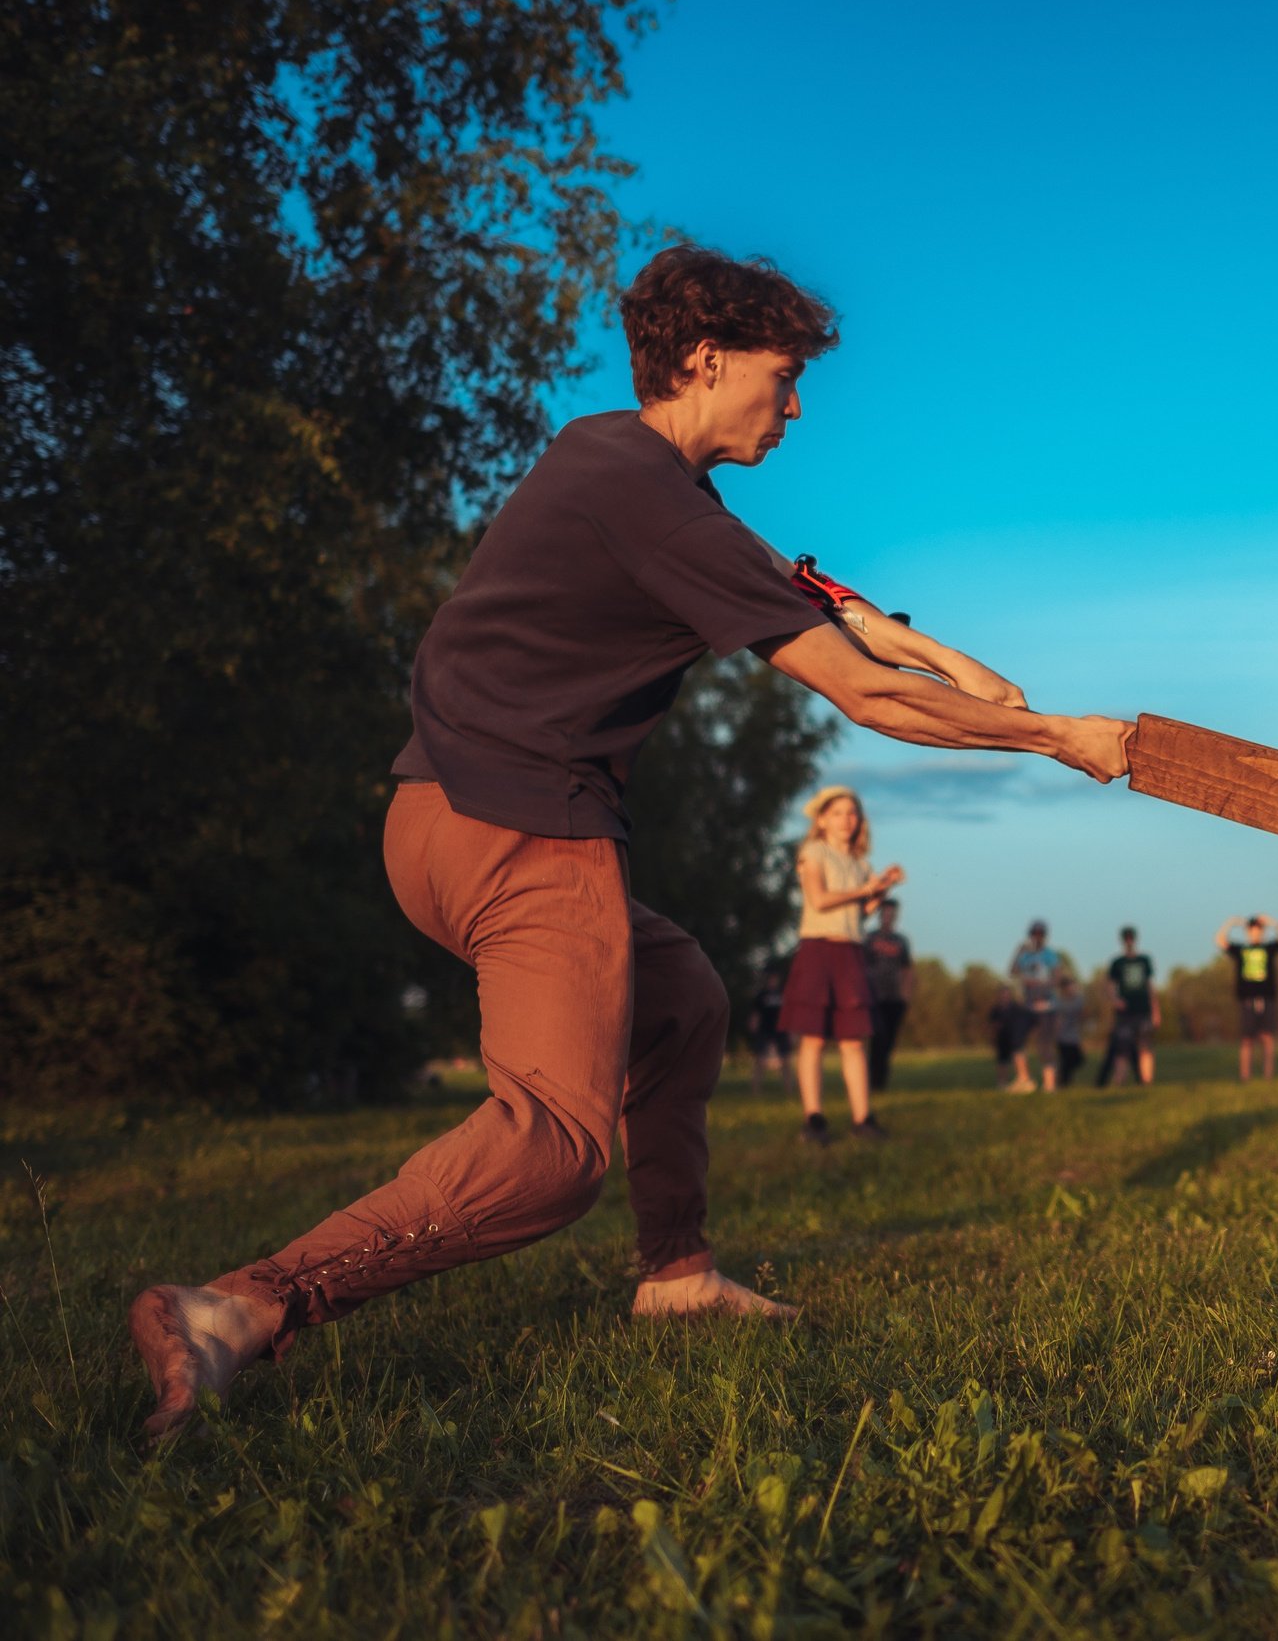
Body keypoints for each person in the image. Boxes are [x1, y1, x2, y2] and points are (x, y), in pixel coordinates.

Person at [126, 244, 1134, 1439]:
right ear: (707, 359)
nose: (796, 408)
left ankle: (676, 1275)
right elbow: (863, 698)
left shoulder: (610, 458)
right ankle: (237, 1309)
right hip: (522, 829)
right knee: (553, 1152)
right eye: (784, 377)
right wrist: (1060, 738)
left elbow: (804, 590)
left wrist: (933, 651)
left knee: (683, 1000)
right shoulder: (658, 503)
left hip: (436, 822)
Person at [782, 785, 900, 1144]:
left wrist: (882, 888)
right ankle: (813, 1119)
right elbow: (818, 900)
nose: (846, 820)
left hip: (851, 951)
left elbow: (860, 913)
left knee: (853, 1039)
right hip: (818, 948)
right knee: (814, 1037)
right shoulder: (813, 852)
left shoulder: (860, 864)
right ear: (821, 819)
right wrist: (865, 891)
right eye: (837, 813)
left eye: (852, 813)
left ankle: (863, 1119)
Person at [1218, 915, 1278, 1080]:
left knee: (1268, 1038)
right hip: (1247, 999)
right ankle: (1245, 1077)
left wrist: (1271, 921)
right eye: (1252, 931)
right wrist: (1232, 922)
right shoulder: (1241, 950)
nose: (1255, 934)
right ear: (1247, 933)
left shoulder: (1269, 948)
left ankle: (1268, 1077)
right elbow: (1220, 940)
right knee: (1247, 1039)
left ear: (1262, 932)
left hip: (1267, 997)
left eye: (1258, 931)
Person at [862, 898, 916, 1092]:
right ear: (880, 915)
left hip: (894, 999)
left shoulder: (901, 941)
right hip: (873, 998)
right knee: (875, 1039)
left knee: (888, 1041)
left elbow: (907, 969)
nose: (888, 917)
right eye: (885, 913)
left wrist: (906, 995)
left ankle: (880, 1082)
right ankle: (869, 1081)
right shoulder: (869, 939)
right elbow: (860, 966)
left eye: (892, 914)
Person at [1007, 919, 1064, 1093]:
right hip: (1028, 1005)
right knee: (1016, 1039)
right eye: (1034, 934)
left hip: (1047, 1006)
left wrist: (1039, 986)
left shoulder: (1050, 955)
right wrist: (1018, 952)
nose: (1037, 937)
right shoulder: (1025, 956)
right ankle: (1024, 1078)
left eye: (1040, 934)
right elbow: (1012, 973)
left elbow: (1057, 979)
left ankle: (1049, 1085)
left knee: (1044, 1044)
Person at [1102, 926, 1160, 1087]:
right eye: (1126, 938)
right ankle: (1119, 1082)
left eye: (1131, 938)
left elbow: (1150, 987)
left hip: (1143, 1009)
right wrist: (1115, 1000)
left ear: (1135, 939)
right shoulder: (1117, 963)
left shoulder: (1144, 960)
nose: (1129, 941)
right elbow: (1109, 986)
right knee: (1122, 1049)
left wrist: (1156, 1011)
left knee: (1146, 1047)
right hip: (1124, 1013)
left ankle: (1147, 1083)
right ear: (1122, 941)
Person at [746, 966, 789, 1096]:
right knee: (760, 1060)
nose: (773, 980)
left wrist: (792, 1031)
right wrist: (753, 1023)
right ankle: (755, 1091)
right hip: (764, 1029)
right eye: (771, 978)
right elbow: (756, 1012)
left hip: (781, 1029)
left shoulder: (783, 993)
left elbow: (789, 1012)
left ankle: (789, 1090)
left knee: (785, 1061)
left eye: (775, 977)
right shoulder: (762, 994)